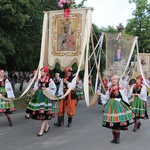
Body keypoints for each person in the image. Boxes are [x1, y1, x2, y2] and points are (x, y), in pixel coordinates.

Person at [97, 75, 135, 144]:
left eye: (114, 79)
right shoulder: (109, 88)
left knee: (117, 123)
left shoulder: (121, 88)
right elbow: (106, 97)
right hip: (111, 106)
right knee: (112, 122)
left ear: (117, 80)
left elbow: (124, 98)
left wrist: (128, 105)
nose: (113, 80)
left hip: (118, 106)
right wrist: (100, 94)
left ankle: (117, 138)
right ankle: (114, 138)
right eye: (111, 79)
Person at [26, 66, 57, 136]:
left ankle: (41, 131)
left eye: (42, 71)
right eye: (41, 71)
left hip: (45, 98)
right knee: (41, 113)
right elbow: (36, 87)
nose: (41, 72)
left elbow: (53, 88)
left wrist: (46, 89)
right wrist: (34, 89)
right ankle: (47, 126)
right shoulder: (39, 79)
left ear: (46, 72)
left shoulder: (49, 80)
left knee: (43, 113)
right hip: (39, 97)